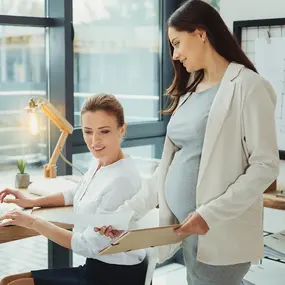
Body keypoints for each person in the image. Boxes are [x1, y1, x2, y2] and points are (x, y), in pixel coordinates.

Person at [96, 1, 280, 285]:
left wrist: (208, 215)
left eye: (178, 43)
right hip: (184, 232)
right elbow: (168, 168)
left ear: (201, 33)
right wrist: (126, 215)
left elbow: (265, 166)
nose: (176, 54)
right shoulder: (191, 90)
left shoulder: (249, 87)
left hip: (218, 232)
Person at [0, 94, 147, 285]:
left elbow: (86, 245)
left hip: (116, 275)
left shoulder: (122, 179)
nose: (94, 141)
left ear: (121, 130)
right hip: (96, 265)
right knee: (7, 281)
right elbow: (75, 193)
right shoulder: (100, 163)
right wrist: (32, 202)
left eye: (104, 131)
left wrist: (33, 222)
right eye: (88, 131)